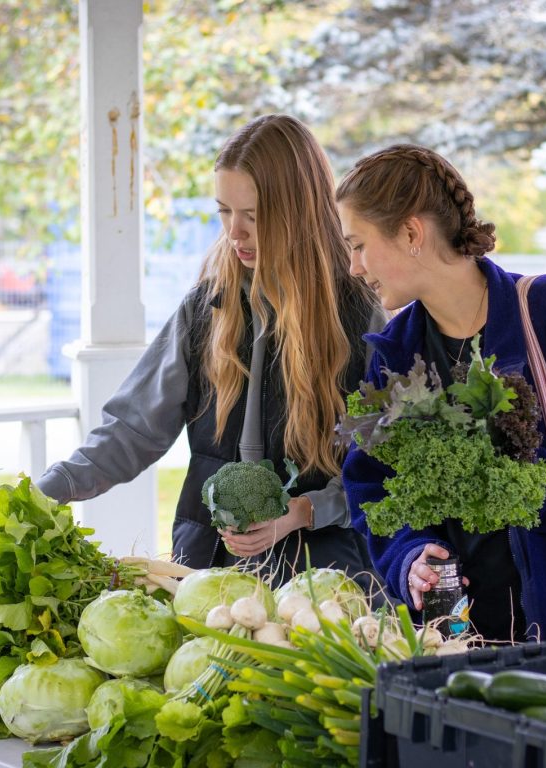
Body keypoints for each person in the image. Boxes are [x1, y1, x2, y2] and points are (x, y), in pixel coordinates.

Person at [336, 144, 546, 642]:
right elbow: (372, 487)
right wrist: (410, 557)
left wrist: (542, 485)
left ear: (411, 233)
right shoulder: (394, 352)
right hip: (459, 636)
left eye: (358, 245)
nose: (353, 266)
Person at [36, 114, 386, 584]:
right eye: (224, 211)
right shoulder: (205, 308)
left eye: (254, 215)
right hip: (206, 568)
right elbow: (131, 430)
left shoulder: (361, 313)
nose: (234, 232)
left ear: (299, 210)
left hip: (326, 579)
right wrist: (42, 493)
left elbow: (383, 464)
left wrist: (303, 511)